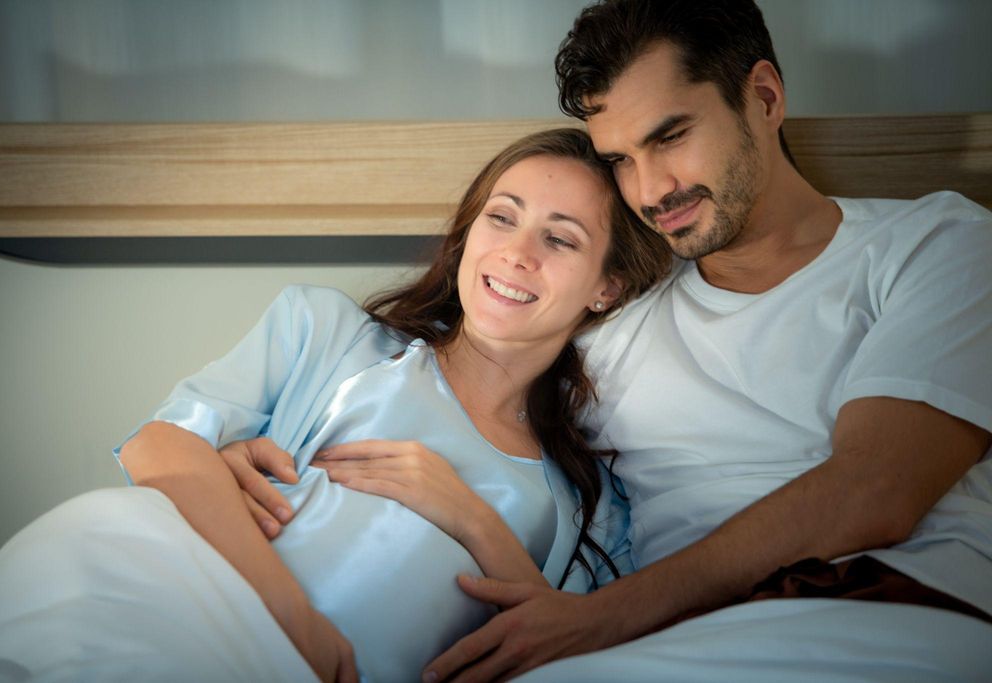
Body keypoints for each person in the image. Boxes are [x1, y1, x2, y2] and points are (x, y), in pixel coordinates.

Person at [396, 1, 992, 680]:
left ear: (764, 98)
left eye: (671, 135)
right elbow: (457, 382)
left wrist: (605, 617)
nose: (650, 190)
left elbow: (877, 488)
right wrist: (254, 446)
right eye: (620, 159)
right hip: (670, 645)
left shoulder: (938, 244)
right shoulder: (612, 326)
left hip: (885, 610)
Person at [0, 128, 672, 683]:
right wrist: (292, 618)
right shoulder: (332, 334)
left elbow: (567, 647)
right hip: (209, 606)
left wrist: (470, 514)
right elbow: (158, 445)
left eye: (559, 238)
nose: (517, 253)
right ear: (469, 234)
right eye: (502, 218)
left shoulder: (586, 496)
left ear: (606, 288)